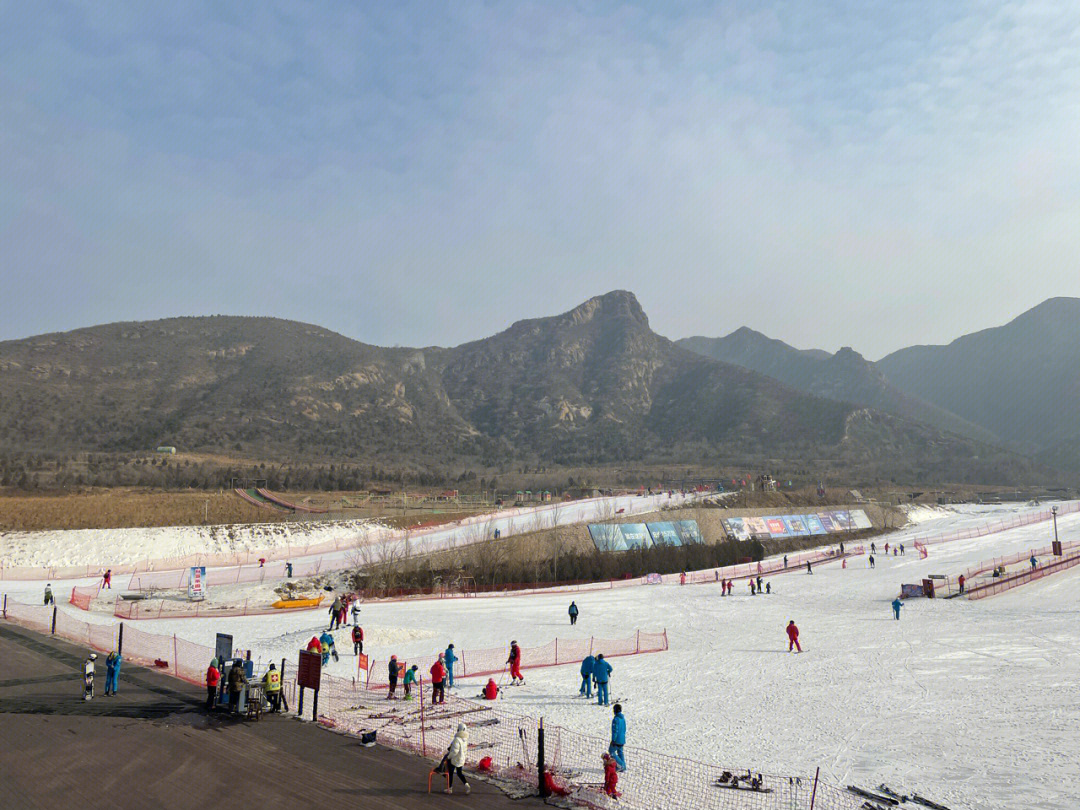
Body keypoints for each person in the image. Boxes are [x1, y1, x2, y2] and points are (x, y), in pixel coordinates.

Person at [443, 723, 471, 795]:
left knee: (450, 773)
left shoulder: (457, 739)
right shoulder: (465, 740)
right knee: (459, 773)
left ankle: (450, 788)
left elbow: (455, 751)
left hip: (455, 759)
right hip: (461, 759)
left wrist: (448, 757)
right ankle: (466, 784)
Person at [609, 703, 627, 772]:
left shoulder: (616, 719)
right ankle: (624, 767)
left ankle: (621, 765)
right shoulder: (623, 719)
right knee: (620, 752)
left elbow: (615, 731)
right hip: (622, 739)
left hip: (617, 740)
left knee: (611, 751)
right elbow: (624, 729)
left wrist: (613, 740)